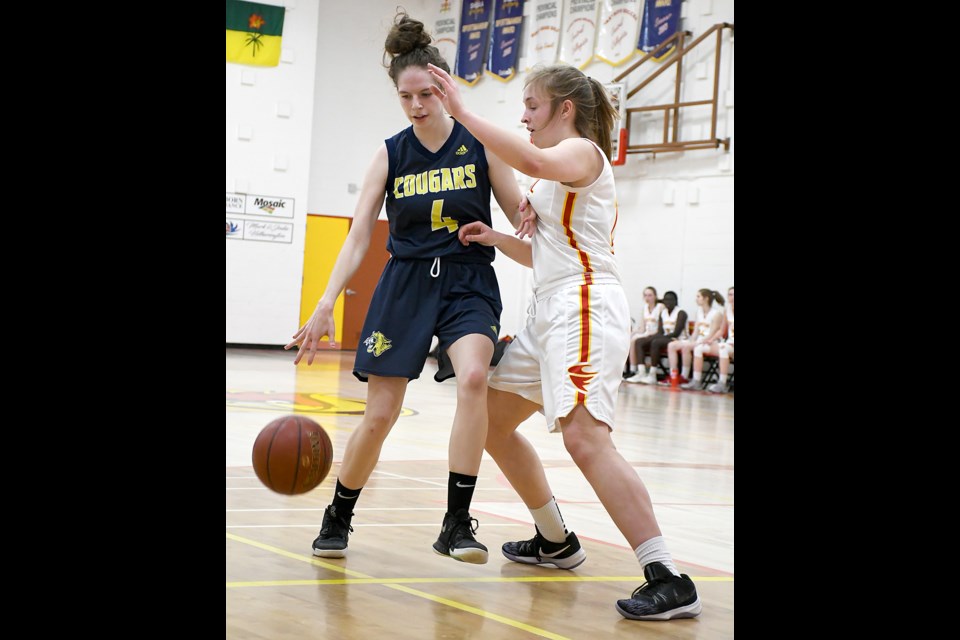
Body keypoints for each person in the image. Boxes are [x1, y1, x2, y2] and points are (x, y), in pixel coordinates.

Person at [427, 62, 701, 620]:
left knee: (584, 439)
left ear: (565, 109)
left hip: (585, 305)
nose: (524, 115)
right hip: (550, 307)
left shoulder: (581, 155)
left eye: (532, 105)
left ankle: (666, 574)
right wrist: (498, 236)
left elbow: (528, 158)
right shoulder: (552, 178)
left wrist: (460, 111)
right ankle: (555, 539)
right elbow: (542, 254)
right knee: (491, 424)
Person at [285, 12, 523, 565]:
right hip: (405, 284)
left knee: (472, 379)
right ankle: (338, 515)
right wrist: (324, 303)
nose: (417, 105)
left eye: (425, 94)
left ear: (445, 87)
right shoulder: (390, 154)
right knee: (380, 415)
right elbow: (359, 236)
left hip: (468, 281)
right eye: (405, 97)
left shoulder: (480, 145)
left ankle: (457, 523)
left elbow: (520, 217)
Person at [672, 289, 725, 389]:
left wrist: (695, 343)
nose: (696, 299)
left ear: (706, 299)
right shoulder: (699, 312)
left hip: (711, 341)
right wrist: (691, 341)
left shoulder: (716, 314)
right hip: (699, 340)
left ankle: (687, 377)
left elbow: (712, 334)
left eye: (698, 297)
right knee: (673, 345)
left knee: (688, 347)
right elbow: (696, 331)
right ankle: (678, 376)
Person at [641, 291, 688, 384]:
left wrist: (660, 338)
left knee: (656, 342)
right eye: (666, 300)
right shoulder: (663, 312)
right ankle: (641, 372)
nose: (668, 302)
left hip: (680, 339)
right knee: (641, 341)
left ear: (676, 301)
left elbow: (676, 333)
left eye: (670, 300)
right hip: (666, 339)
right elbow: (660, 331)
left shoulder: (681, 313)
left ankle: (653, 373)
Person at [697, 286, 733, 393]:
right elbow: (722, 331)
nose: (732, 297)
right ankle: (696, 381)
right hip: (729, 344)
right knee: (700, 348)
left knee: (723, 349)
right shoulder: (728, 310)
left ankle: (722, 383)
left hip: (730, 347)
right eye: (730, 294)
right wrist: (711, 339)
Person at [623, 287, 663, 382]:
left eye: (650, 295)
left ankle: (635, 370)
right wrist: (631, 333)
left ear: (655, 296)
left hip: (656, 334)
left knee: (635, 341)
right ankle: (633, 370)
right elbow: (642, 328)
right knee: (630, 338)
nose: (647, 298)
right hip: (646, 333)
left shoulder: (660, 307)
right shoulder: (644, 308)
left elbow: (661, 328)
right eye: (645, 295)